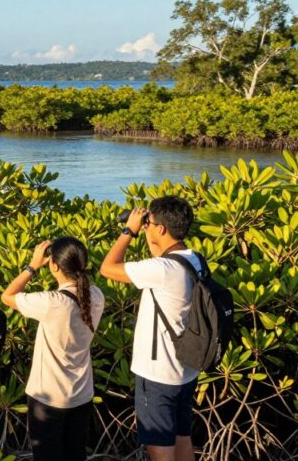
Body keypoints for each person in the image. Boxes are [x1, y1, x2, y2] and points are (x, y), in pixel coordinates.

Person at [100, 197, 200, 461]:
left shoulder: (163, 270)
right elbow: (161, 255)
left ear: (162, 229)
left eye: (150, 224)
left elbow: (107, 268)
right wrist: (148, 232)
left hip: (158, 374)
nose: (147, 227)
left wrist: (129, 231)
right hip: (186, 371)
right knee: (182, 439)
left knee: (159, 449)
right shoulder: (194, 260)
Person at [1, 238, 105, 461]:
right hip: (82, 395)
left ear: (54, 265)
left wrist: (32, 266)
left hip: (48, 399)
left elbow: (7, 296)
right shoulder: (96, 295)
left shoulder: (53, 302)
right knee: (75, 455)